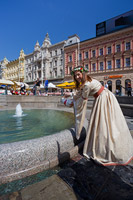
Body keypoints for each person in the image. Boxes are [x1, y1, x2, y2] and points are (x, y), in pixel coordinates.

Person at [62, 66, 133, 166]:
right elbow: (79, 94)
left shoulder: (86, 84)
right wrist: (70, 96)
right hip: (106, 96)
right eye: (75, 75)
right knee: (111, 121)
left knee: (103, 123)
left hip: (102, 99)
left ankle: (106, 149)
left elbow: (81, 101)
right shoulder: (89, 80)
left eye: (78, 74)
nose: (77, 77)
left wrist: (66, 101)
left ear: (83, 73)